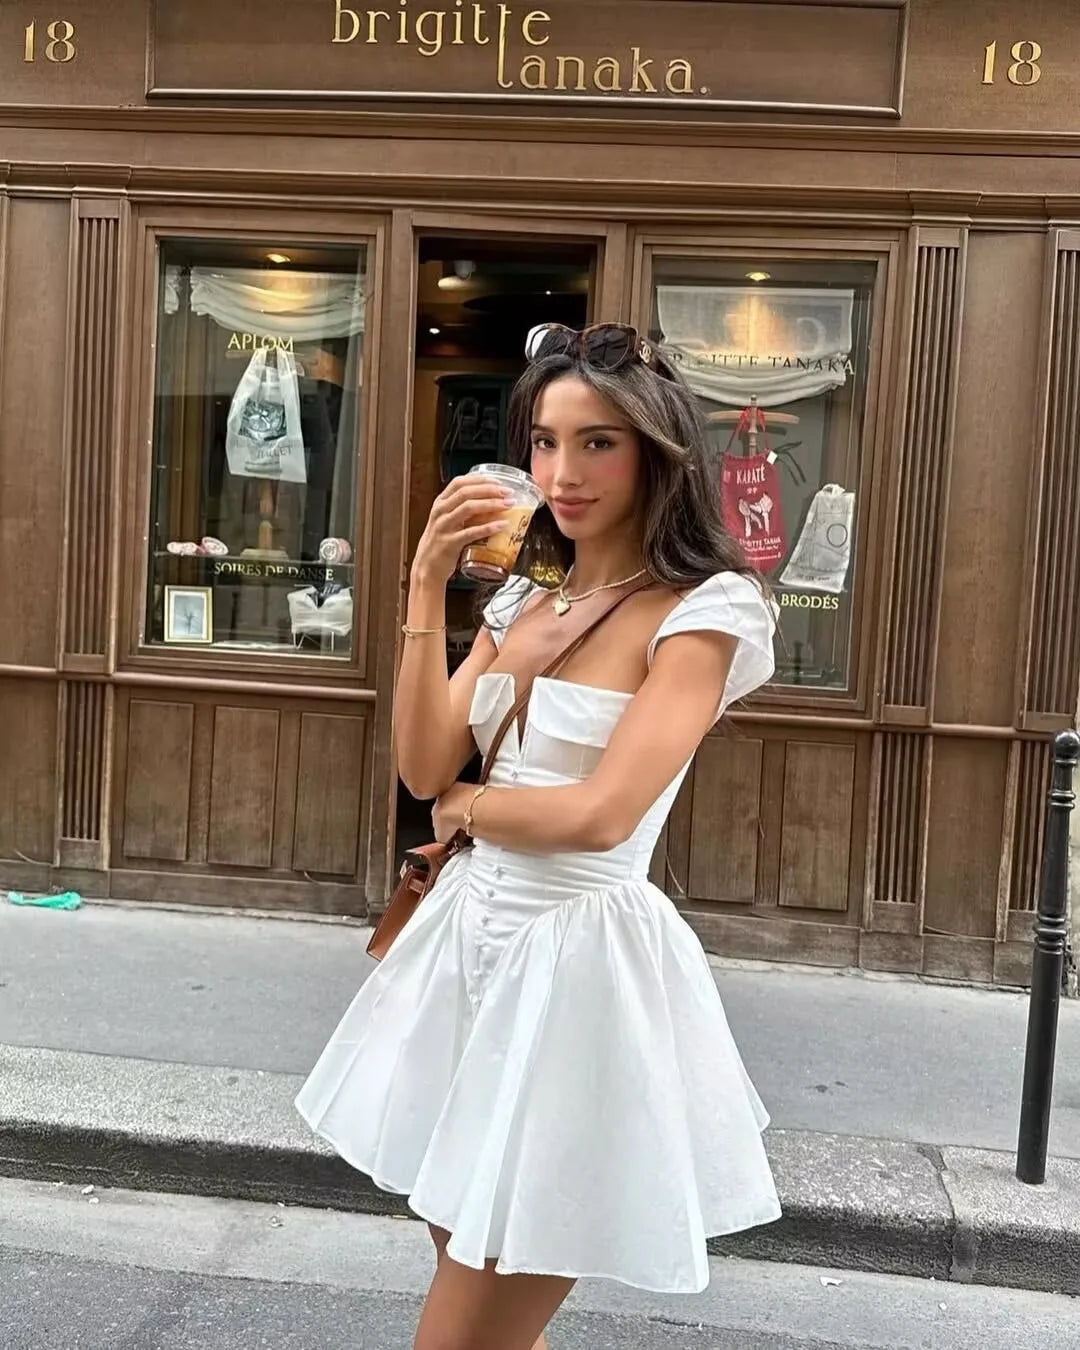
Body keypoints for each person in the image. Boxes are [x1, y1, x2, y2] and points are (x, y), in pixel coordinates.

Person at [296, 322, 782, 1350]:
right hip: (467, 950)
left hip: (577, 970)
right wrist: (425, 586)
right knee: (469, 1269)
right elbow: (425, 763)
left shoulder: (706, 611)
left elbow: (600, 812)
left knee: (470, 1320)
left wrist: (473, 812)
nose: (564, 472)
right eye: (547, 442)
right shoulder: (528, 593)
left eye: (599, 442)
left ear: (658, 450)